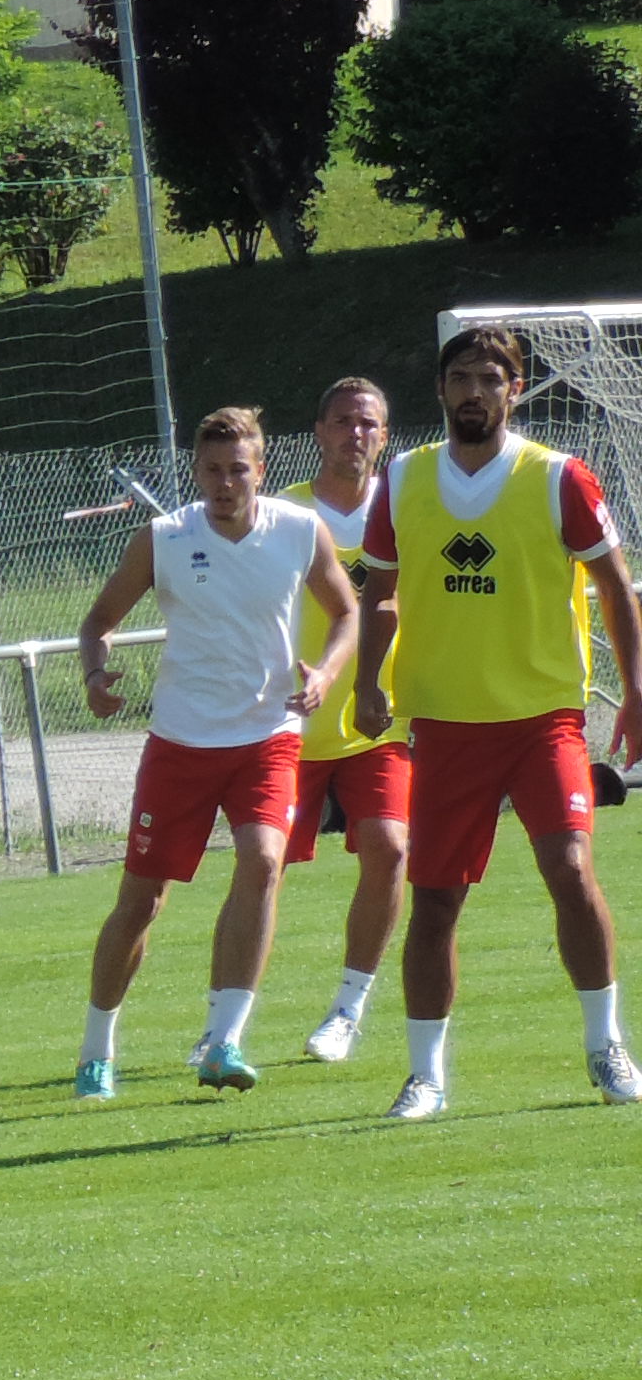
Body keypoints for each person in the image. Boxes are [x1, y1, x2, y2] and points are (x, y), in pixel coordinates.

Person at [351, 320, 642, 1118]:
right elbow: (380, 590)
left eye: (490, 379)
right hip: (444, 724)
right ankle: (425, 1076)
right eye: (460, 379)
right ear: (441, 391)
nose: (474, 392)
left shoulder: (558, 477)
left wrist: (638, 692)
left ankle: (606, 1044)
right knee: (436, 899)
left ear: (514, 391)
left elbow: (617, 589)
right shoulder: (402, 481)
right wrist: (368, 683)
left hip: (542, 716)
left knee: (572, 872)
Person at [70, 406, 357, 1097]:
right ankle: (96, 1049)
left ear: (261, 471)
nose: (225, 483)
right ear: (195, 474)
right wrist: (94, 673)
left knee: (263, 860)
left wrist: (324, 672)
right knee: (143, 902)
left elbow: (348, 611)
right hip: (182, 742)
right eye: (212, 471)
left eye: (238, 470)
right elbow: (98, 623)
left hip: (268, 737)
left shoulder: (298, 530)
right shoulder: (164, 538)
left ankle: (224, 1040)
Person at [283, 374, 407, 1065]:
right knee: (261, 868)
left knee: (390, 847)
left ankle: (348, 1009)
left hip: (376, 722)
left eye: (367, 424)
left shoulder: (408, 514)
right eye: (341, 422)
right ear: (319, 433)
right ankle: (228, 1019)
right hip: (286, 725)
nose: (353, 434)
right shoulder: (282, 514)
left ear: (384, 436)